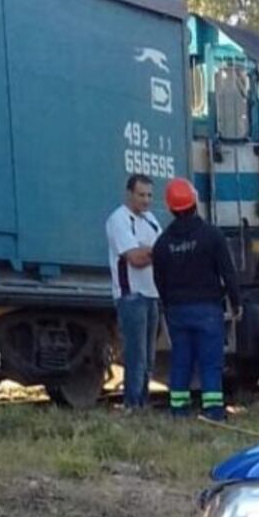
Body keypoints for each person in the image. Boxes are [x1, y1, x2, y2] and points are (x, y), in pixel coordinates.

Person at [153, 178, 241, 422]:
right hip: (206, 309)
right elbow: (227, 271)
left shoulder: (163, 243)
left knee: (181, 361)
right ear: (195, 203)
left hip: (177, 311)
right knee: (210, 362)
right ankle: (213, 411)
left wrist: (169, 304)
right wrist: (237, 302)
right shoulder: (211, 235)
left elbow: (158, 279)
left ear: (171, 207)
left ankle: (178, 411)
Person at [106, 174, 162, 410]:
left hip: (152, 294)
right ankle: (132, 404)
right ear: (129, 194)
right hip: (131, 296)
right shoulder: (119, 220)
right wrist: (154, 252)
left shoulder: (151, 220)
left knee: (148, 356)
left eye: (149, 195)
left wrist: (149, 251)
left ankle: (143, 402)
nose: (146, 200)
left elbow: (157, 251)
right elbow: (135, 258)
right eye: (141, 195)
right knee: (136, 355)